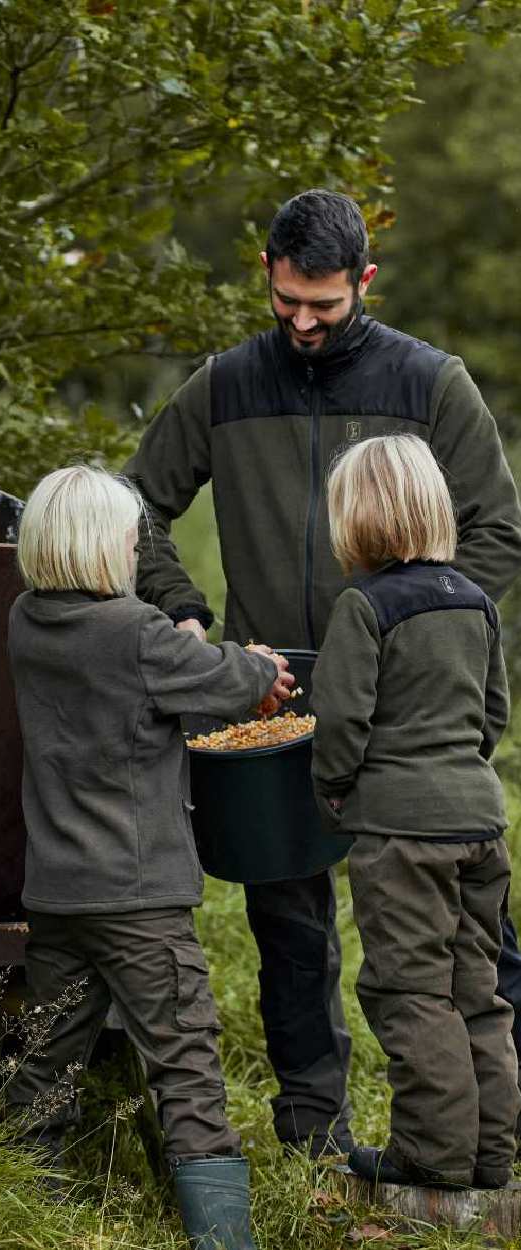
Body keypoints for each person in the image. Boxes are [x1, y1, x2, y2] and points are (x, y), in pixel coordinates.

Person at [123, 188, 521, 1156]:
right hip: (276, 697)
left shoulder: (432, 383)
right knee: (290, 931)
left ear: (364, 283)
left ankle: (492, 1135)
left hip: (410, 710)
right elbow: (129, 507)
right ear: (266, 273)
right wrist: (184, 611)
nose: (302, 323)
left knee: (470, 946)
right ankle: (312, 1135)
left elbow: (499, 530)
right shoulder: (221, 385)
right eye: (285, 300)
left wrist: (411, 631)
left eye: (325, 307)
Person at [2, 464, 291, 1249]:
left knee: (47, 1060)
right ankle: (224, 1238)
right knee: (185, 1059)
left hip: (58, 894)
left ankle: (30, 1207)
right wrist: (262, 666)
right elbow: (223, 679)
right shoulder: (133, 632)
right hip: (140, 901)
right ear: (106, 551)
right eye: (132, 542)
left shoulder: (27, 622)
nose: (136, 555)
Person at [311, 434, 520, 1189]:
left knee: (411, 989)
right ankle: (491, 1153)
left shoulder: (365, 608)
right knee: (480, 992)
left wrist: (334, 790)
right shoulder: (476, 603)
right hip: (479, 823)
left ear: (355, 518)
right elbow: (492, 714)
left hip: (402, 835)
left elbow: (340, 722)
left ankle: (431, 1157)